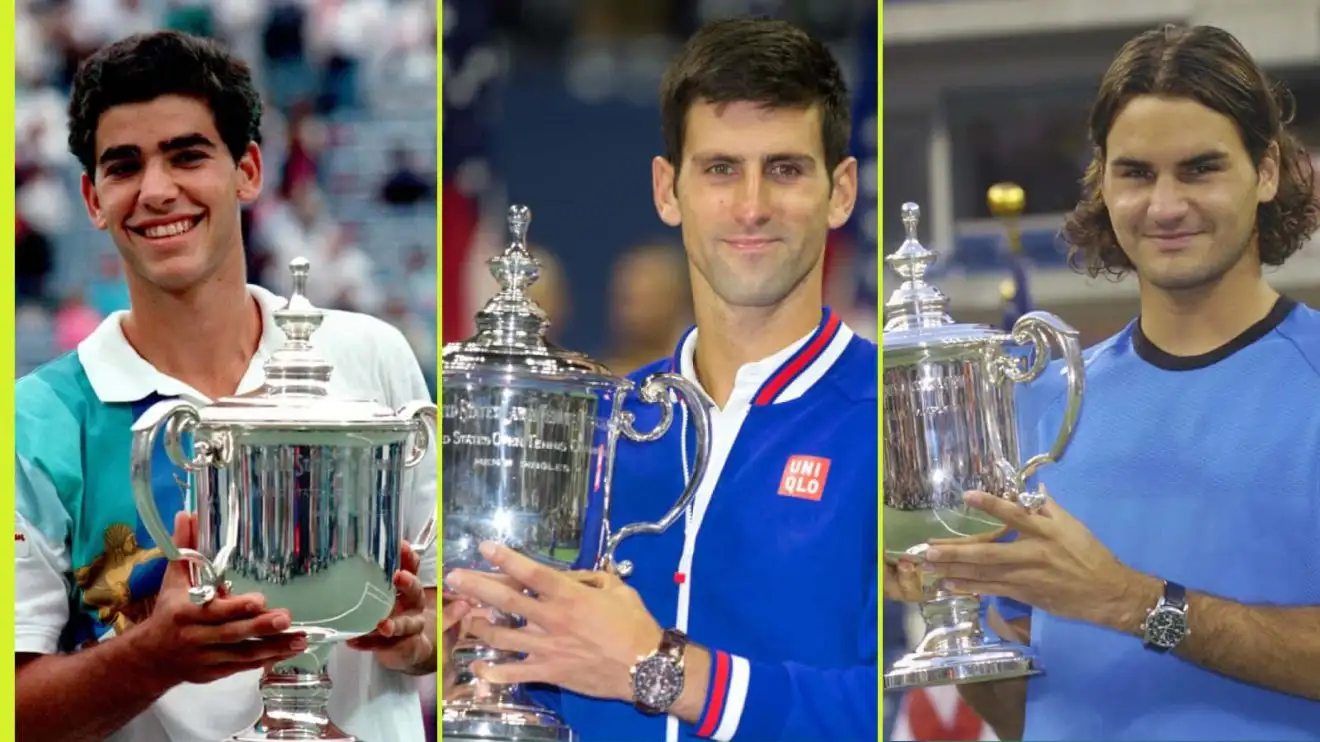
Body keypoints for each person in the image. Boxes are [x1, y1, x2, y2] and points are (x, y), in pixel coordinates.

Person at [443, 16, 877, 742]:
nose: (751, 206)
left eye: (785, 169)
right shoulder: (594, 429)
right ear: (666, 189)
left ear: (841, 192)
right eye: (719, 169)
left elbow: (910, 706)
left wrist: (663, 669)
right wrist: (486, 642)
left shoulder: (886, 418)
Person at [889, 23, 1320, 741]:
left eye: (1200, 169)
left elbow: (1116, 604)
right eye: (1136, 173)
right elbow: (1030, 713)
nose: (1165, 205)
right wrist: (949, 614)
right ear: (1104, 180)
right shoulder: (1037, 405)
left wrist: (1130, 601)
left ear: (1267, 170)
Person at [15, 31, 439, 742]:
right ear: (92, 198)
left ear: (247, 171)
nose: (156, 191)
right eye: (125, 167)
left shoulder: (370, 355)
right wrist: (153, 658)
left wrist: (419, 635)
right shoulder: (36, 421)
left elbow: (451, 612)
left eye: (186, 155)